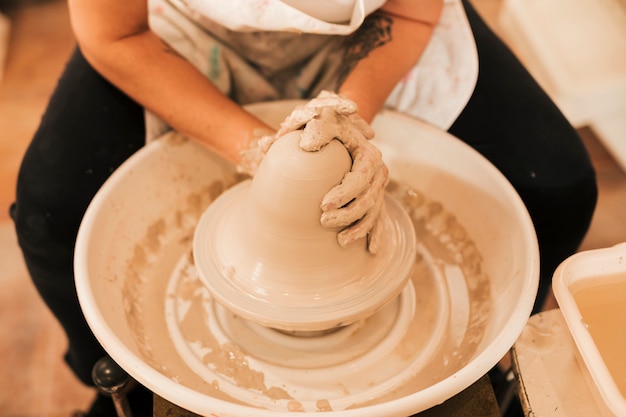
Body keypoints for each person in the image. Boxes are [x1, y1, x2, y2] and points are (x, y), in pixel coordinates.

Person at [10, 0, 597, 416]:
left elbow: (416, 10)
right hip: (181, 31)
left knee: (555, 186)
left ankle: (499, 372)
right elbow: (114, 35)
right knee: (50, 212)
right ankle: (128, 388)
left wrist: (349, 116)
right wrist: (260, 149)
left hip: (373, 29)